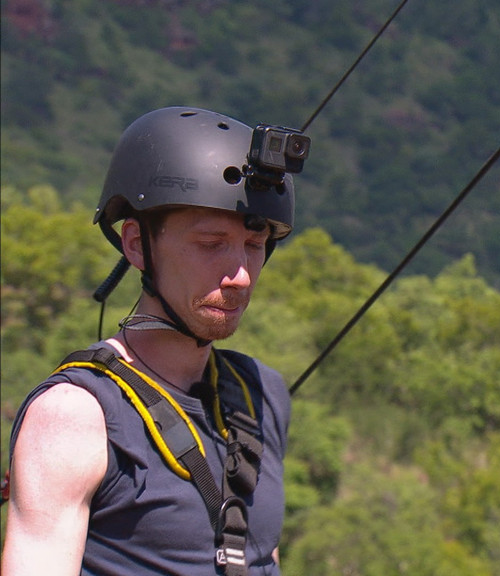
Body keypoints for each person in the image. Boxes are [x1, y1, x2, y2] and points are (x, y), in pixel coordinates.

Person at [1, 107, 305, 575]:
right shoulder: (75, 415)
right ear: (137, 245)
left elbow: (260, 558)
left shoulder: (260, 393)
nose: (241, 275)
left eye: (254, 244)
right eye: (211, 244)